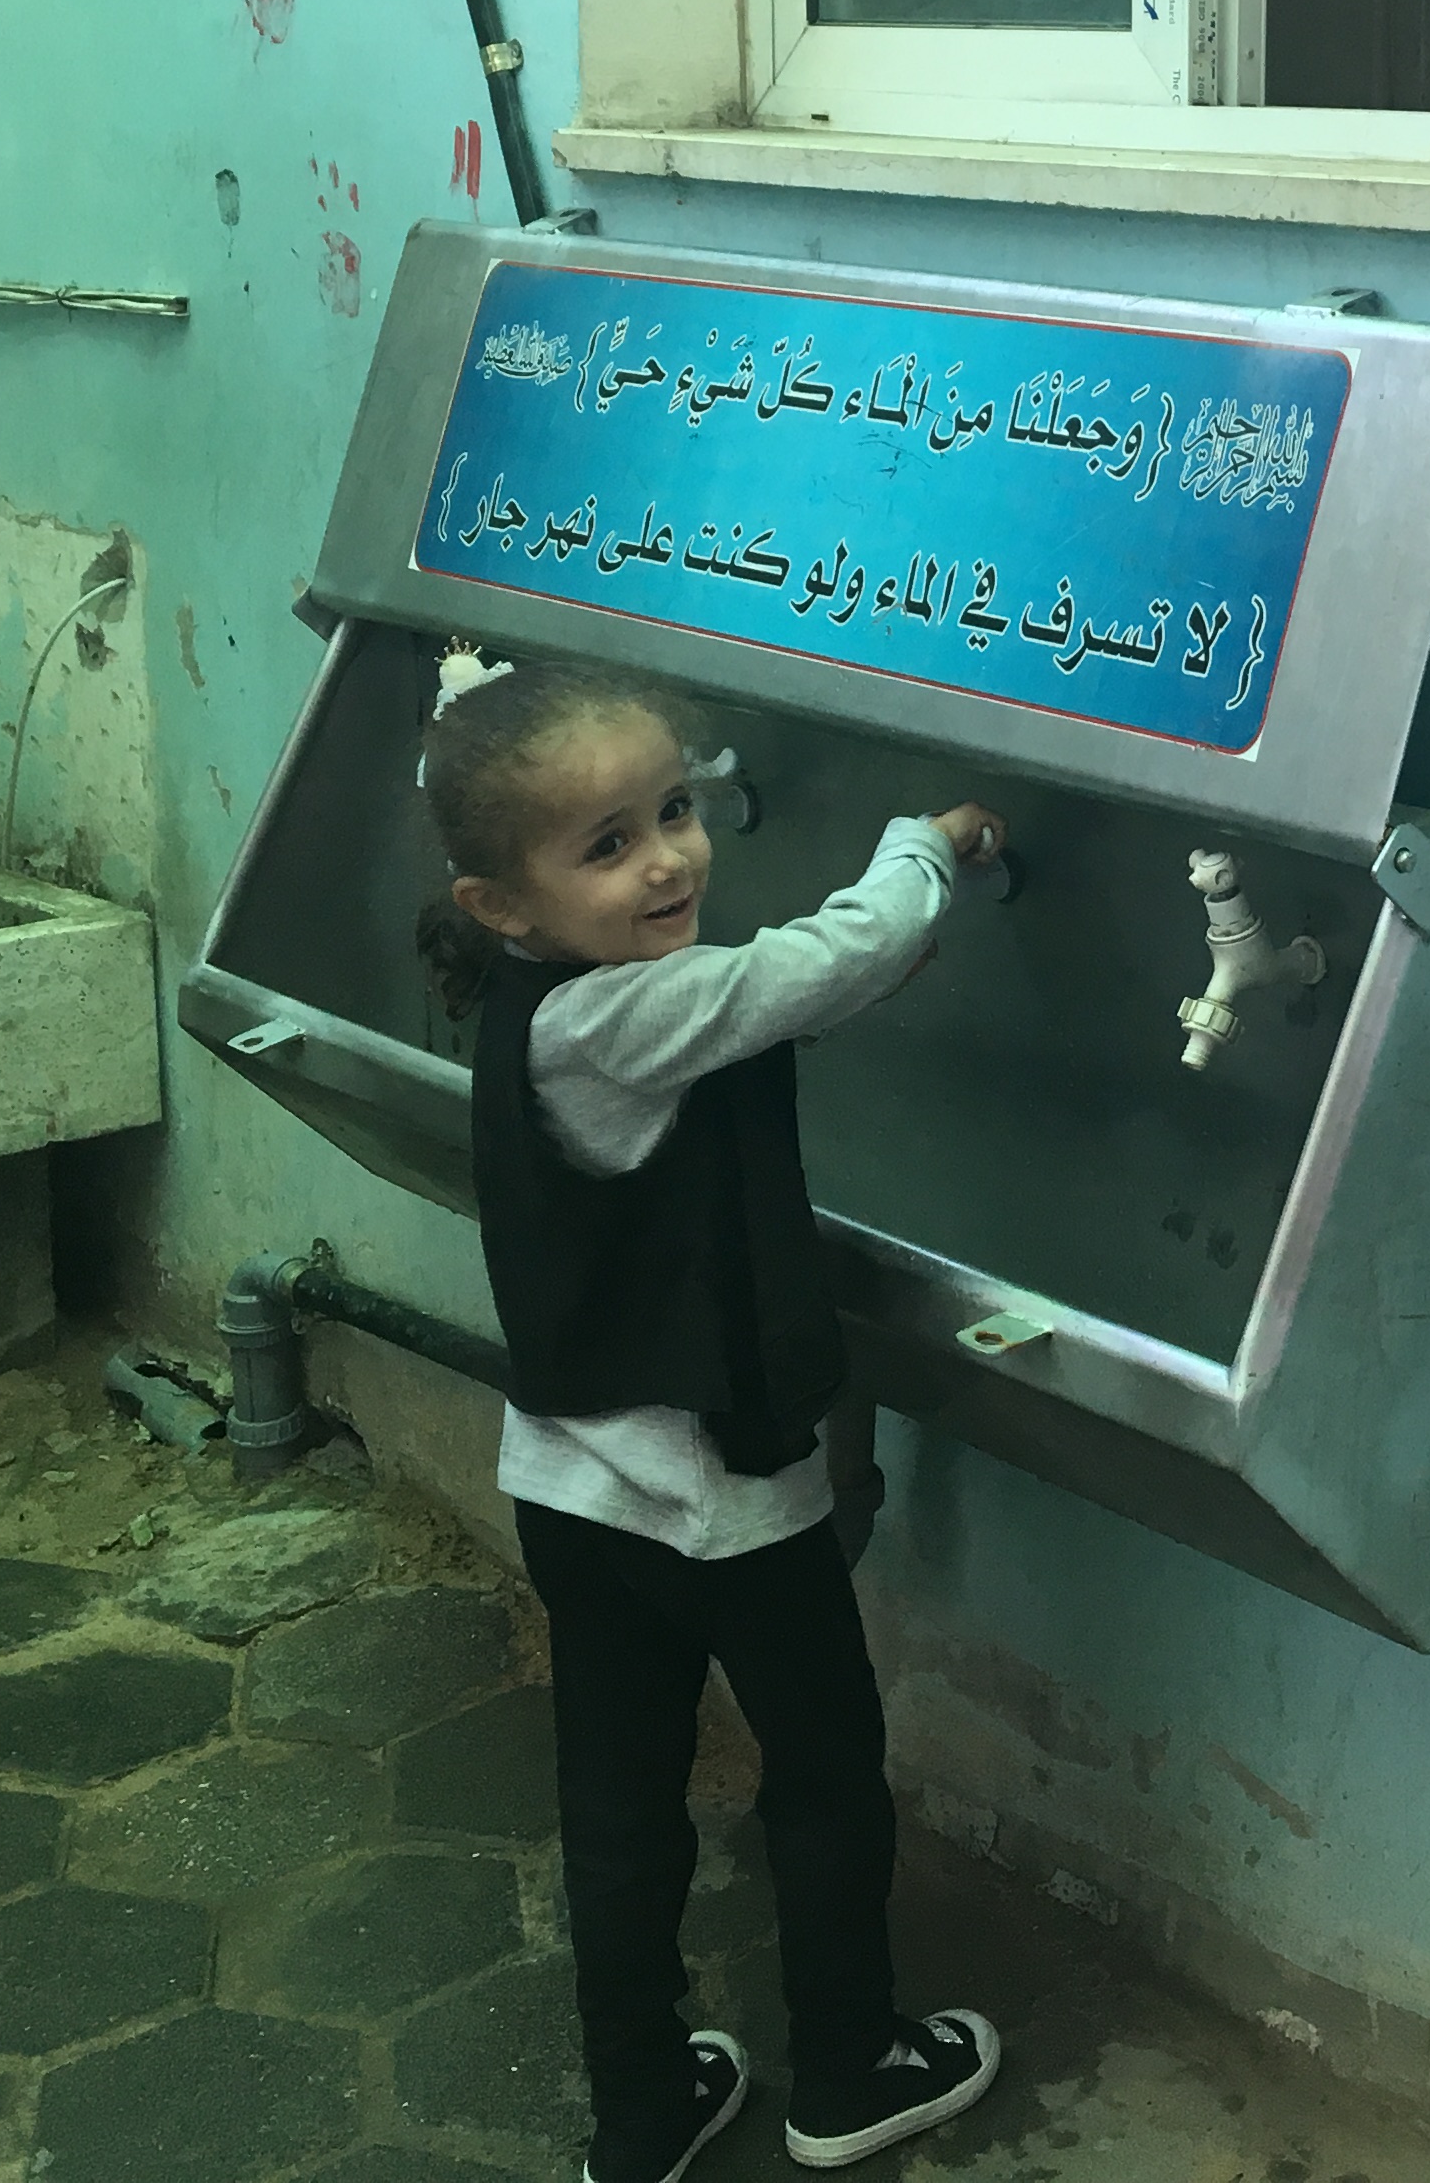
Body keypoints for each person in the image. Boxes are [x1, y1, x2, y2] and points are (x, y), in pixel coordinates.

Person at [411, 645, 1007, 2180]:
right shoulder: (619, 1017)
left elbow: (766, 1003)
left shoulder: (535, 1006)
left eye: (674, 811)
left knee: (618, 1805)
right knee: (821, 1773)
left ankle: (643, 2109)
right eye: (607, 845)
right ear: (503, 903)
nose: (669, 858)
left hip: (573, 1487)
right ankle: (849, 2069)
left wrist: (896, 931)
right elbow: (801, 972)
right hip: (727, 1503)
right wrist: (920, 855)